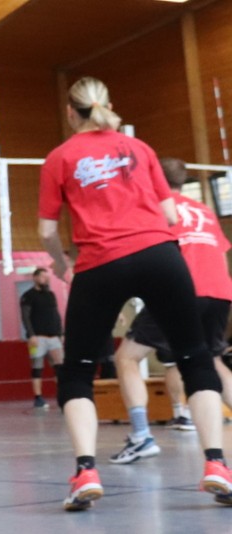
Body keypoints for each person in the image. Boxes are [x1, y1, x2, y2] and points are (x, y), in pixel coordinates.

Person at [38, 76, 231, 511]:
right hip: (160, 257)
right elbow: (169, 214)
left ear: (70, 112)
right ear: (107, 104)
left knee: (77, 372)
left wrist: (63, 266)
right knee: (196, 358)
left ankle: (86, 472)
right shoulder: (140, 149)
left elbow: (47, 231)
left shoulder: (59, 157)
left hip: (100, 264)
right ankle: (217, 465)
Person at [110, 157, 232, 464]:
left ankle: (141, 436)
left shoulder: (154, 208)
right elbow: (220, 254)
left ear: (154, 179)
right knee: (212, 360)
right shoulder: (204, 210)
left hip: (180, 290)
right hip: (219, 291)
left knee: (126, 357)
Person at [19, 267, 64, 409]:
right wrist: (31, 335)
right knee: (37, 367)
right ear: (35, 278)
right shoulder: (28, 296)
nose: (46, 279)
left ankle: (63, 395)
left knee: (60, 366)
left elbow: (56, 314)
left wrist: (61, 333)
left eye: (47, 277)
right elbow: (25, 317)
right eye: (43, 277)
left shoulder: (51, 295)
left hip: (53, 337)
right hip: (37, 338)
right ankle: (38, 398)